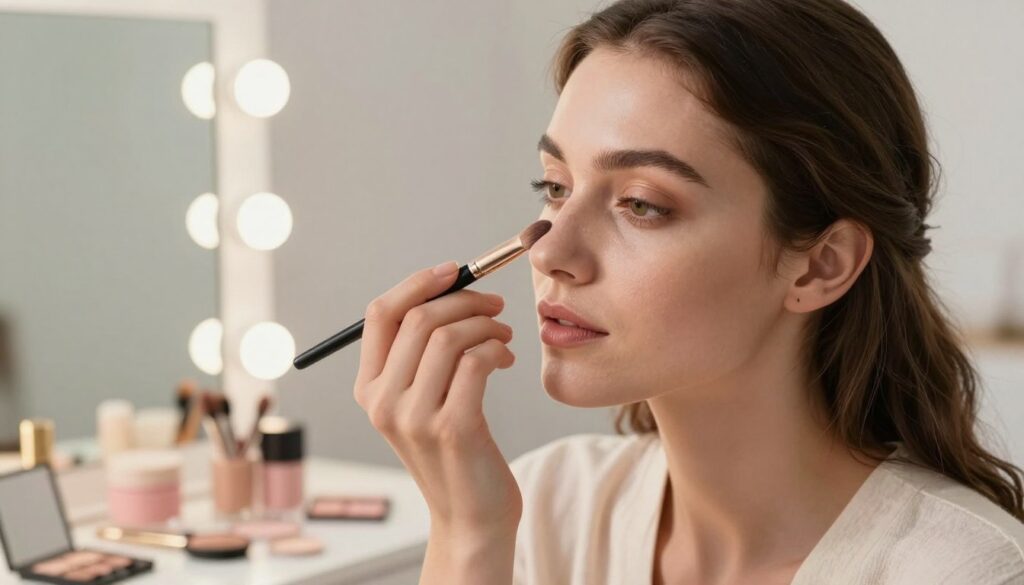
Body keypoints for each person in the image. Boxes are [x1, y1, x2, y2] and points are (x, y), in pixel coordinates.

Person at [351, 1, 1024, 583]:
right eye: (555, 187)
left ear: (820, 266)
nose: (551, 251)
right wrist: (467, 534)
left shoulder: (966, 570)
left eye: (641, 204)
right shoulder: (547, 506)